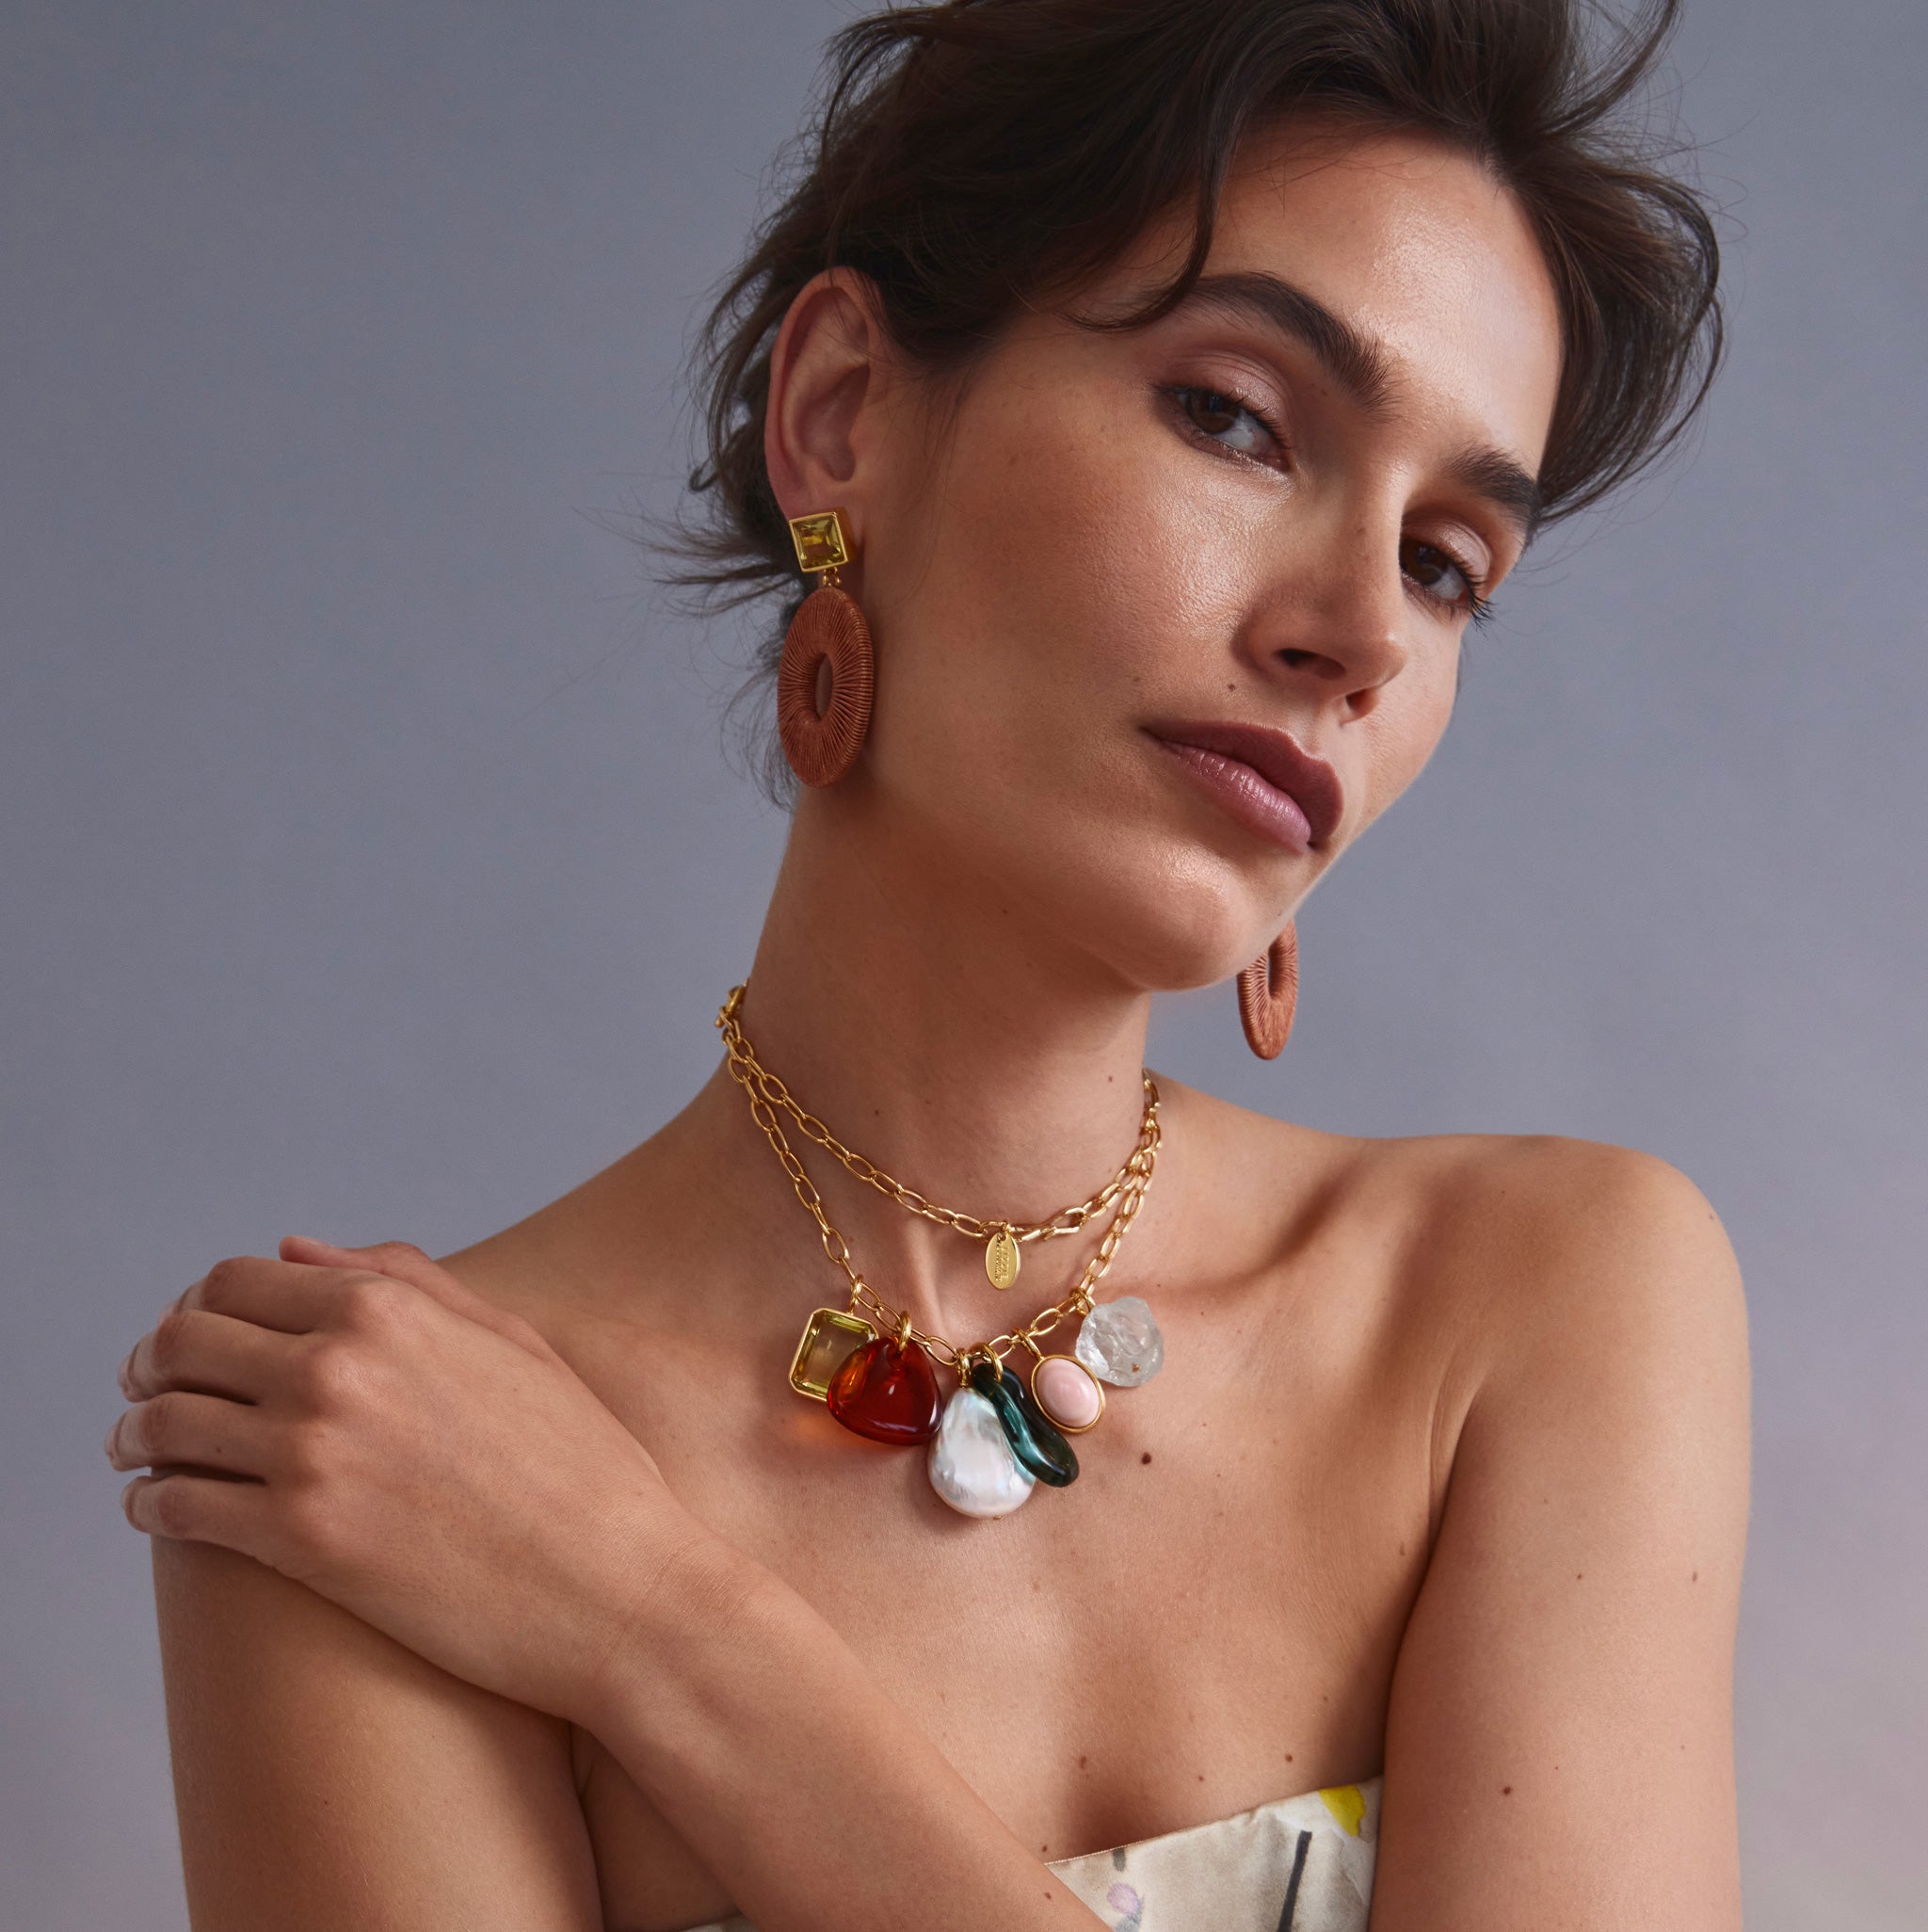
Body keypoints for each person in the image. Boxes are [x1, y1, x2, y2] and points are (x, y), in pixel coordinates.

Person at [102, 2, 1750, 1927]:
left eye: (1447, 560)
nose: (1356, 632)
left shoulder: (1539, 1309)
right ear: (844, 417)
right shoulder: (375, 1461)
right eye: (1235, 416)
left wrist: (664, 1630)